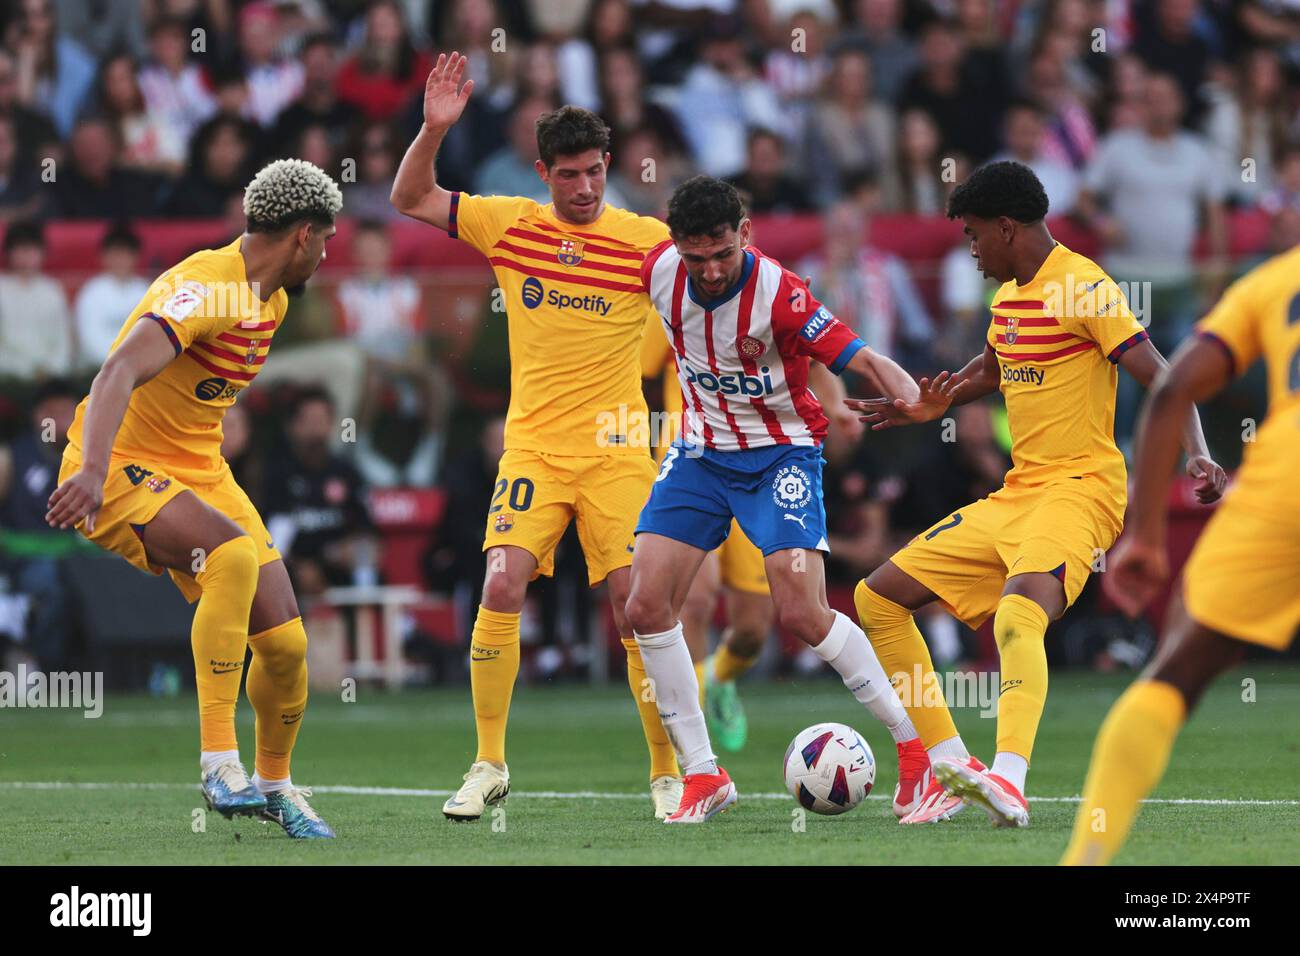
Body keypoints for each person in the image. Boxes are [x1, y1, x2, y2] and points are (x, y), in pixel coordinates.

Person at [846, 161, 1227, 828]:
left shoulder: (1084, 287)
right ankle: (948, 768)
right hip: (1019, 493)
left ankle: (1011, 780)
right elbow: (990, 367)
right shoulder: (1010, 298)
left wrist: (1198, 452)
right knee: (876, 597)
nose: (970, 249)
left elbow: (1163, 377)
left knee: (1018, 617)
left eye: (972, 235)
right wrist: (926, 404)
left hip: (1082, 490)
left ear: (1006, 228)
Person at [390, 53, 684, 821]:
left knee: (635, 608)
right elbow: (409, 196)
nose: (584, 187)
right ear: (542, 173)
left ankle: (666, 773)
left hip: (620, 449)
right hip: (533, 449)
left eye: (594, 171)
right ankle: (488, 764)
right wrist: (433, 130)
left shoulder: (647, 240)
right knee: (498, 583)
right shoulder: (507, 223)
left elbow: (719, 283)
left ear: (608, 166)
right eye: (568, 174)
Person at [45, 159, 343, 839]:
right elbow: (118, 368)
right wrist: (91, 470)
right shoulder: (205, 286)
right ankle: (217, 762)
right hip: (118, 460)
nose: (327, 253)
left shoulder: (275, 299)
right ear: (302, 235)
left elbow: (198, 392)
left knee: (289, 647)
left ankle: (276, 786)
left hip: (200, 471)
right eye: (325, 239)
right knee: (231, 558)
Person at [623, 175, 928, 824]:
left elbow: (861, 358)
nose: (707, 271)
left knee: (801, 613)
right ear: (675, 245)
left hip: (781, 454)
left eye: (721, 255)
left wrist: (913, 396)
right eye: (694, 256)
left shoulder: (781, 293)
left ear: (746, 236)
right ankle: (704, 775)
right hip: (700, 453)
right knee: (646, 604)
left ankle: (914, 746)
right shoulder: (657, 270)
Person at [1061, 242, 1300, 865]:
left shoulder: (1273, 280)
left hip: (1286, 482)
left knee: (1173, 674)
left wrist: (1143, 538)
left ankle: (1084, 860)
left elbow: (1171, 391)